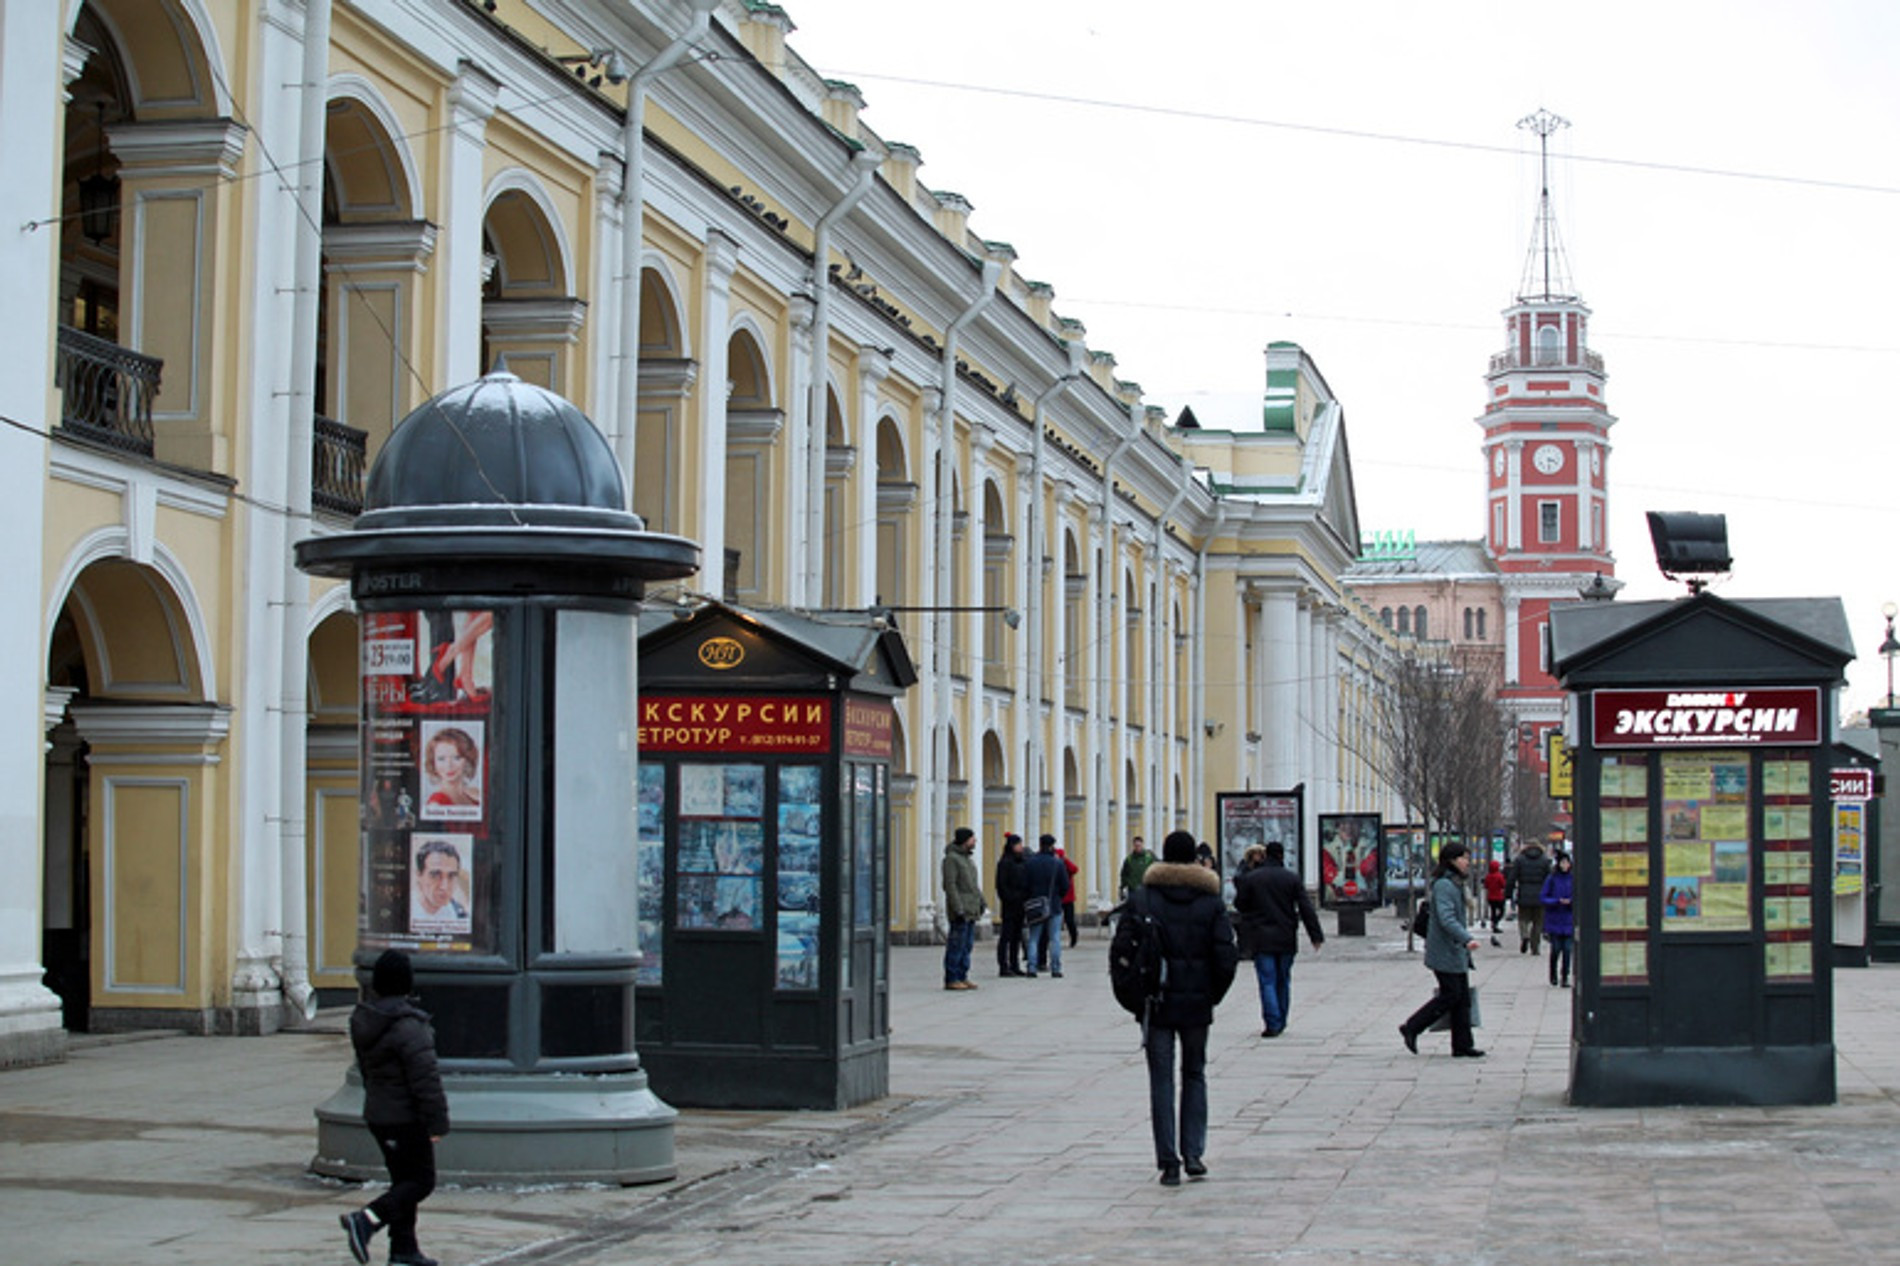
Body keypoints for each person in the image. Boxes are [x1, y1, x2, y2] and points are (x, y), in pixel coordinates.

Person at [1137, 830, 1238, 1186]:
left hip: (1156, 1002)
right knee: (1194, 1074)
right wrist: (1212, 994)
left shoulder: (1145, 898)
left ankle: (1168, 1162)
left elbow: (1122, 956)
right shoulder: (1210, 902)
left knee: (1160, 1080)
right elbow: (1227, 955)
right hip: (1196, 1003)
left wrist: (1136, 1003)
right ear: (1195, 857)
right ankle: (1193, 1151)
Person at [340, 949, 450, 1266]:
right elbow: (425, 1079)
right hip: (405, 1117)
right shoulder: (408, 1026)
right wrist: (437, 1123)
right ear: (407, 982)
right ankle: (367, 1219)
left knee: (403, 1181)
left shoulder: (365, 1019)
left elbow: (366, 1068)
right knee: (421, 1181)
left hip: (379, 1113)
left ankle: (403, 1250)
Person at [1397, 840, 1484, 1059]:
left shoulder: (1454, 882)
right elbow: (1446, 918)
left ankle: (1462, 1045)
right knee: (1451, 995)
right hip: (1445, 950)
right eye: (1464, 858)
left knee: (1461, 997)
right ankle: (1412, 1026)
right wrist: (1466, 939)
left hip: (1454, 950)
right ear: (1452, 860)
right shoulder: (1444, 885)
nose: (1467, 863)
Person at [1231, 840, 1324, 1037]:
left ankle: (1272, 1022)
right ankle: (1281, 1018)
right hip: (1286, 936)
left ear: (1265, 856)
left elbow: (1240, 904)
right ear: (1282, 856)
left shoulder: (1253, 878)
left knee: (1267, 980)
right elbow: (1306, 907)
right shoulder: (1291, 879)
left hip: (1261, 936)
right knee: (1283, 979)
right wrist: (1315, 935)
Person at [940, 826, 985, 990]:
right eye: (972, 838)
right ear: (965, 840)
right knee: (956, 944)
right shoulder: (951, 859)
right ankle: (952, 977)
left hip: (971, 909)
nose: (975, 841)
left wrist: (981, 900)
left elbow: (973, 885)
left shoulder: (967, 860)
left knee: (967, 945)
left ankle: (962, 975)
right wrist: (957, 907)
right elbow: (950, 885)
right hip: (961, 910)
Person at [1024, 834, 1068, 978]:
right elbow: (1065, 885)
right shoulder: (1058, 863)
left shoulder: (1031, 862)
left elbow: (1025, 884)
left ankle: (1031, 967)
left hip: (1036, 906)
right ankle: (1055, 968)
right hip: (1054, 905)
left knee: (1034, 937)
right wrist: (1057, 897)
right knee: (1054, 937)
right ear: (1051, 846)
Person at [410, 838, 468, 931]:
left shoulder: (461, 915)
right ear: (419, 876)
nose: (444, 886)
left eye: (451, 876)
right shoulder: (405, 911)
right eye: (435, 875)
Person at [1506, 841, 1553, 955]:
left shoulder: (1520, 860)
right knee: (1538, 922)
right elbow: (1550, 878)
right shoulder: (1544, 860)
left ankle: (1525, 935)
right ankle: (1535, 947)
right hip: (1540, 895)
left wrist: (1508, 893)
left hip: (1524, 894)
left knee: (1523, 919)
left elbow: (1512, 878)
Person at [994, 832, 1028, 977]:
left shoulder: (1021, 861)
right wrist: (1010, 898)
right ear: (1012, 846)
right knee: (1006, 937)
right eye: (1019, 844)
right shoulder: (1005, 863)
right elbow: (1001, 885)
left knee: (1017, 937)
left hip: (1021, 905)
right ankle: (1003, 965)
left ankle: (1015, 964)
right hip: (1010, 906)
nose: (1021, 847)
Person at [423, 726, 481, 810]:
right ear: (433, 762)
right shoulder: (436, 804)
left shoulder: (475, 794)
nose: (449, 765)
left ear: (467, 759)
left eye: (457, 758)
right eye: (441, 759)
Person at [1542, 851, 1576, 987]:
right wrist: (1556, 901)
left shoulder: (1573, 879)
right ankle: (1553, 974)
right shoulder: (1552, 879)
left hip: (1568, 919)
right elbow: (1543, 896)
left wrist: (1571, 902)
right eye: (1563, 862)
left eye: (1567, 862)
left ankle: (1564, 976)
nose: (1565, 865)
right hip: (1554, 918)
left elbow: (1579, 896)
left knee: (1567, 950)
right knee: (1556, 949)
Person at [1056, 844, 1081, 948]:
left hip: (1067, 897)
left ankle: (1074, 936)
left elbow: (1075, 869)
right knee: (1055, 920)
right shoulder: (1054, 865)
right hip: (1057, 897)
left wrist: (1065, 860)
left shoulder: (1066, 865)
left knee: (1069, 919)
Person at [1119, 836, 1154, 900]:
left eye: (1139, 845)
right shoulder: (1129, 859)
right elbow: (1124, 874)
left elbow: (1153, 872)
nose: (1137, 847)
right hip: (1133, 890)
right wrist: (1122, 887)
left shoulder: (1148, 859)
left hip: (1145, 889)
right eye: (1136, 845)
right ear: (1133, 846)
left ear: (1142, 845)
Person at [1482, 859, 1507, 946]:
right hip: (1499, 896)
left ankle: (1493, 922)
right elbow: (1503, 885)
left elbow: (1485, 885)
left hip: (1490, 897)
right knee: (1501, 911)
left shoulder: (1488, 876)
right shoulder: (1499, 876)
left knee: (1493, 911)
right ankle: (1496, 922)